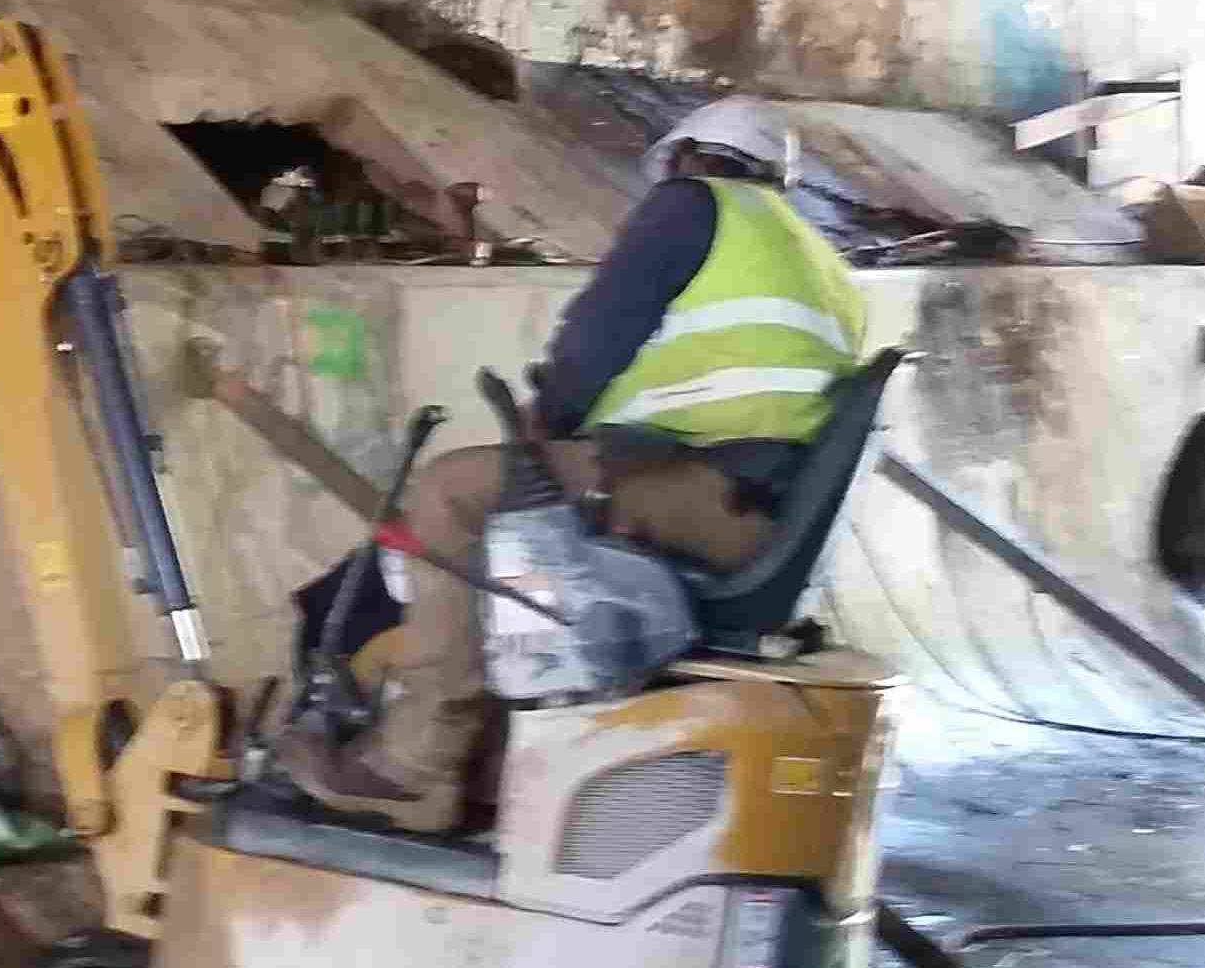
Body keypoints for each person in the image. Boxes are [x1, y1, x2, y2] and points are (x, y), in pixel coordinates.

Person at [296, 95, 869, 834]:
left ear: (689, 157)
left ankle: (414, 765)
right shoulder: (821, 256)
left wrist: (549, 422)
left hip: (700, 490)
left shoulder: (692, 205)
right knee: (524, 541)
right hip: (758, 509)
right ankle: (493, 769)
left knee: (450, 493)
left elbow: (595, 336)